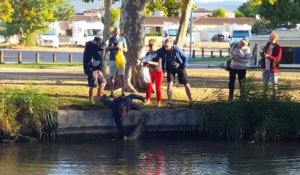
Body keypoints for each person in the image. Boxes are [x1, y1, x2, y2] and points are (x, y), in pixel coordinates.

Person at [83, 37, 107, 104]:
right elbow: (102, 47)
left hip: (97, 69)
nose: (100, 44)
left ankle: (97, 97)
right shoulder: (91, 44)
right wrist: (103, 44)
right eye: (100, 42)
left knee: (103, 83)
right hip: (91, 69)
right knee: (93, 86)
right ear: (96, 41)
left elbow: (102, 47)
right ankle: (91, 101)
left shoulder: (94, 46)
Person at [106, 27, 128, 97]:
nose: (116, 33)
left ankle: (123, 93)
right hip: (112, 59)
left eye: (117, 32)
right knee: (111, 76)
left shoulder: (122, 39)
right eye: (115, 32)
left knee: (122, 76)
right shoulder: (111, 39)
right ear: (113, 32)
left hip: (120, 59)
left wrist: (120, 47)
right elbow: (108, 48)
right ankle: (112, 93)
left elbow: (126, 49)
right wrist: (112, 47)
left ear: (119, 32)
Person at [142, 39, 163, 107]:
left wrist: (150, 62)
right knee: (149, 86)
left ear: (156, 46)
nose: (150, 47)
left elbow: (158, 64)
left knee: (158, 87)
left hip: (158, 72)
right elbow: (145, 62)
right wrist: (144, 65)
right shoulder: (148, 54)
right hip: (150, 72)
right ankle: (148, 99)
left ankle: (159, 101)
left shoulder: (158, 53)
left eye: (152, 45)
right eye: (149, 46)